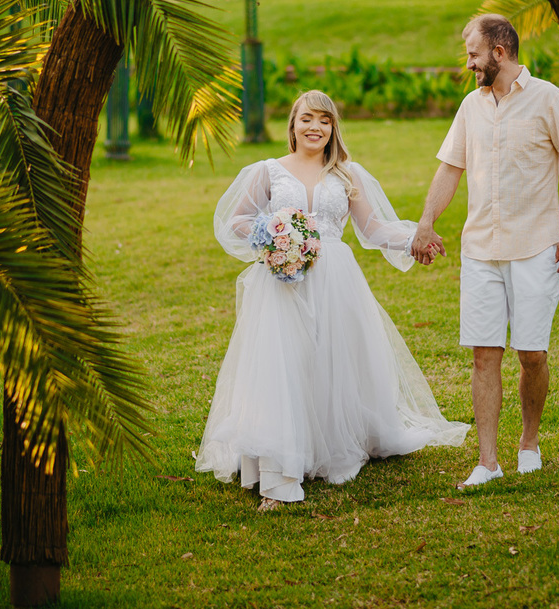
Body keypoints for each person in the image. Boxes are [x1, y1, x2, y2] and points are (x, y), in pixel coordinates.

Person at [198, 90, 469, 510]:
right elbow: (236, 220)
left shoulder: (347, 174)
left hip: (336, 279)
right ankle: (279, 470)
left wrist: (413, 238)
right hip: (282, 280)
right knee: (283, 364)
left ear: (333, 128)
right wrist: (273, 235)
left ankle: (325, 441)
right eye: (307, 119)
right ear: (293, 125)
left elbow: (372, 228)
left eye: (324, 121)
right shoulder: (269, 171)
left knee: (330, 360)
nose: (315, 128)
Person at [411, 14, 559, 489]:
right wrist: (427, 222)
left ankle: (528, 443)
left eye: (473, 54)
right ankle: (487, 462)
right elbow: (450, 168)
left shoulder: (549, 99)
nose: (468, 63)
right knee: (483, 355)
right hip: (480, 250)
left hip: (536, 247)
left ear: (499, 52)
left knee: (531, 354)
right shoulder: (470, 106)